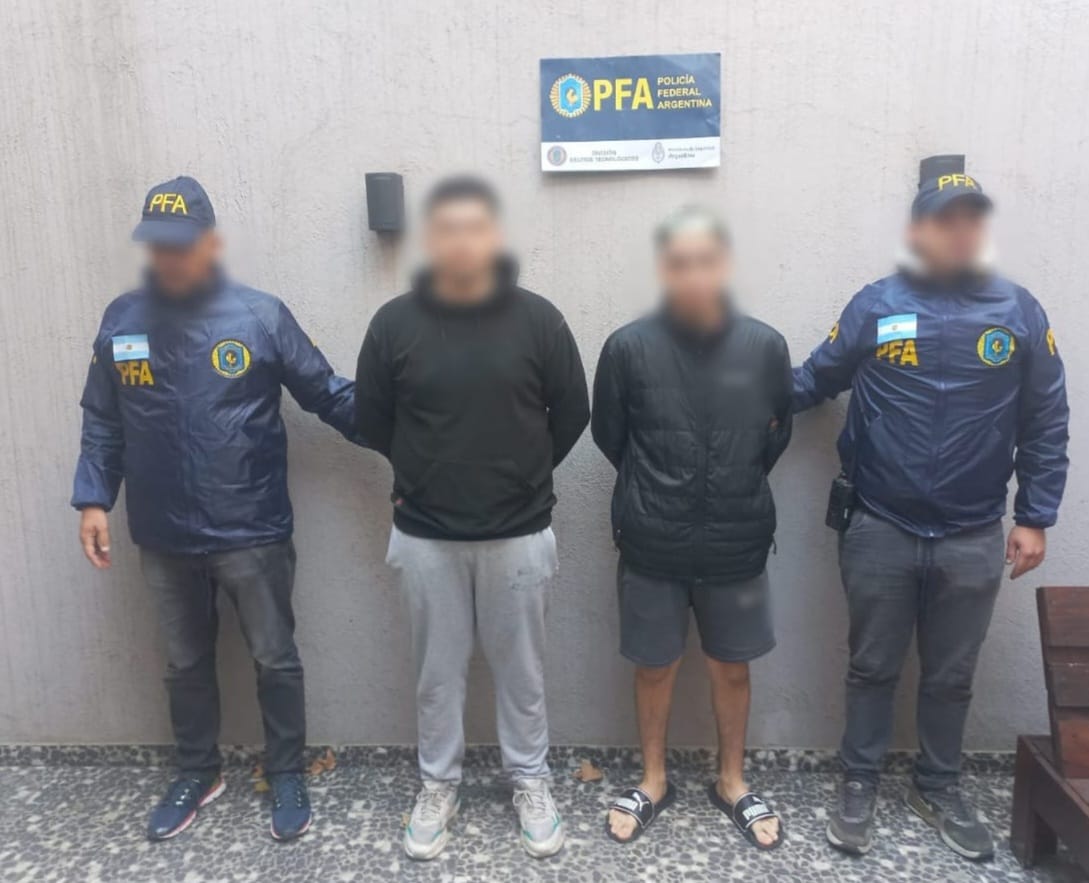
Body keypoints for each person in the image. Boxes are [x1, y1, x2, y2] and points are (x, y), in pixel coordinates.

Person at [794, 155, 1069, 861]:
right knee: (871, 665)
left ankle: (938, 786)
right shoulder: (875, 305)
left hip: (972, 532)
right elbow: (814, 378)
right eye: (944, 221)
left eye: (970, 221)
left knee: (951, 674)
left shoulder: (1018, 312)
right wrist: (733, 392)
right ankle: (858, 780)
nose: (958, 232)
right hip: (879, 523)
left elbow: (1045, 419)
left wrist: (1035, 515)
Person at [72, 176, 359, 842]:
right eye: (157, 245)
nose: (168, 257)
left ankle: (285, 769)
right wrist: (92, 498)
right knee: (184, 662)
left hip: (250, 527)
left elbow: (326, 393)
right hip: (163, 531)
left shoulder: (259, 316)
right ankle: (198, 770)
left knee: (274, 657)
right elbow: (102, 418)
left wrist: (412, 431)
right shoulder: (122, 320)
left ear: (209, 243)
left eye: (181, 244)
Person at [354, 175, 590, 860]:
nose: (462, 241)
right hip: (426, 535)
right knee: (437, 675)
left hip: (519, 531)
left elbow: (573, 412)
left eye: (474, 228)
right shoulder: (393, 324)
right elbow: (372, 419)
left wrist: (523, 475)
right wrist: (422, 474)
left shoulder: (539, 320)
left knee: (523, 674)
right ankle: (438, 785)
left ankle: (530, 781)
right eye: (448, 229)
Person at [592, 206, 792, 851]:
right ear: (664, 270)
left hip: (737, 539)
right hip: (652, 539)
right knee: (654, 666)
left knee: (732, 667)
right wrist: (658, 490)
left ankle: (731, 780)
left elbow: (775, 435)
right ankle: (653, 780)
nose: (694, 275)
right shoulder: (628, 347)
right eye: (680, 264)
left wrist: (731, 483)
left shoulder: (765, 346)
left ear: (724, 266)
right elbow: (611, 436)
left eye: (706, 261)